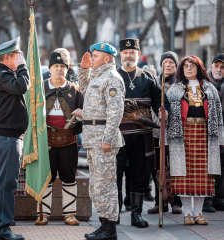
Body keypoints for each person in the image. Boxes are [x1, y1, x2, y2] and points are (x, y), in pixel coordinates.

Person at [116, 38, 170, 228]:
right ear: (120, 54)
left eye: (132, 52)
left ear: (138, 55)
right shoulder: (113, 76)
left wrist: (164, 110)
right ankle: (114, 213)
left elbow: (159, 101)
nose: (129, 55)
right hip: (117, 136)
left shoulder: (148, 78)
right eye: (125, 52)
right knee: (115, 174)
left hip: (141, 135)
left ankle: (136, 214)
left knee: (139, 174)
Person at [166, 55, 223, 225]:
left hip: (205, 136)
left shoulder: (209, 88)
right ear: (182, 69)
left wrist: (221, 138)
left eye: (193, 66)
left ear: (199, 68)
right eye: (186, 66)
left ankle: (198, 213)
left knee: (202, 176)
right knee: (184, 176)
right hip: (182, 137)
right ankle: (187, 214)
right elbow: (167, 118)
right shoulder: (174, 89)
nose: (189, 69)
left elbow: (219, 116)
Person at [77, 43, 125, 240]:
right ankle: (104, 225)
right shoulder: (99, 76)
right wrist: (84, 69)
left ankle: (110, 230)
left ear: (107, 59)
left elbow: (116, 112)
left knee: (106, 186)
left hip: (103, 141)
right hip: (93, 139)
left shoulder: (112, 78)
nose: (92, 58)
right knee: (97, 185)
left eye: (95, 56)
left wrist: (108, 138)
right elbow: (84, 88)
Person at [34, 48, 84, 226]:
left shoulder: (75, 90)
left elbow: (83, 117)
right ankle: (44, 214)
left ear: (67, 68)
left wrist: (81, 114)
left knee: (69, 177)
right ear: (50, 68)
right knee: (46, 178)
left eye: (62, 66)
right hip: (45, 141)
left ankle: (69, 213)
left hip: (69, 140)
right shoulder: (40, 88)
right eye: (56, 65)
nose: (59, 69)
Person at [0, 36, 29, 240]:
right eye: (18, 55)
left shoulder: (3, 74)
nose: (21, 58)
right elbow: (22, 86)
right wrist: (23, 68)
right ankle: (1, 230)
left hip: (5, 137)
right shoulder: (3, 74)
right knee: (5, 185)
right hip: (7, 138)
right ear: (9, 57)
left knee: (0, 183)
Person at [148, 51, 182, 215]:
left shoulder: (180, 84)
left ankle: (176, 201)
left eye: (171, 63)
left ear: (176, 66)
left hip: (174, 134)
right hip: (155, 131)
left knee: (174, 167)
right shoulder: (154, 83)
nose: (168, 65)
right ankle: (159, 201)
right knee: (157, 168)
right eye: (165, 62)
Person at [203, 53, 224, 212]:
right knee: (207, 165)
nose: (219, 69)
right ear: (211, 67)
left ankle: (219, 199)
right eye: (216, 66)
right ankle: (207, 200)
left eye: (222, 67)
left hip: (222, 131)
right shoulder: (203, 84)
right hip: (206, 131)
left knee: (221, 166)